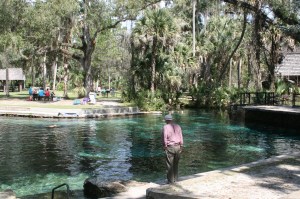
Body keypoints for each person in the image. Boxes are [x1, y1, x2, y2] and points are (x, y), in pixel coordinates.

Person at [161, 114, 183, 184]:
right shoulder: (178, 126)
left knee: (169, 165)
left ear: (166, 120)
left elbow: (164, 137)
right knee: (176, 164)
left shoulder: (165, 127)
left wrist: (164, 146)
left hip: (170, 147)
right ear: (172, 119)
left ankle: (170, 181)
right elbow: (181, 137)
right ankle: (176, 179)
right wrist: (181, 146)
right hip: (178, 147)